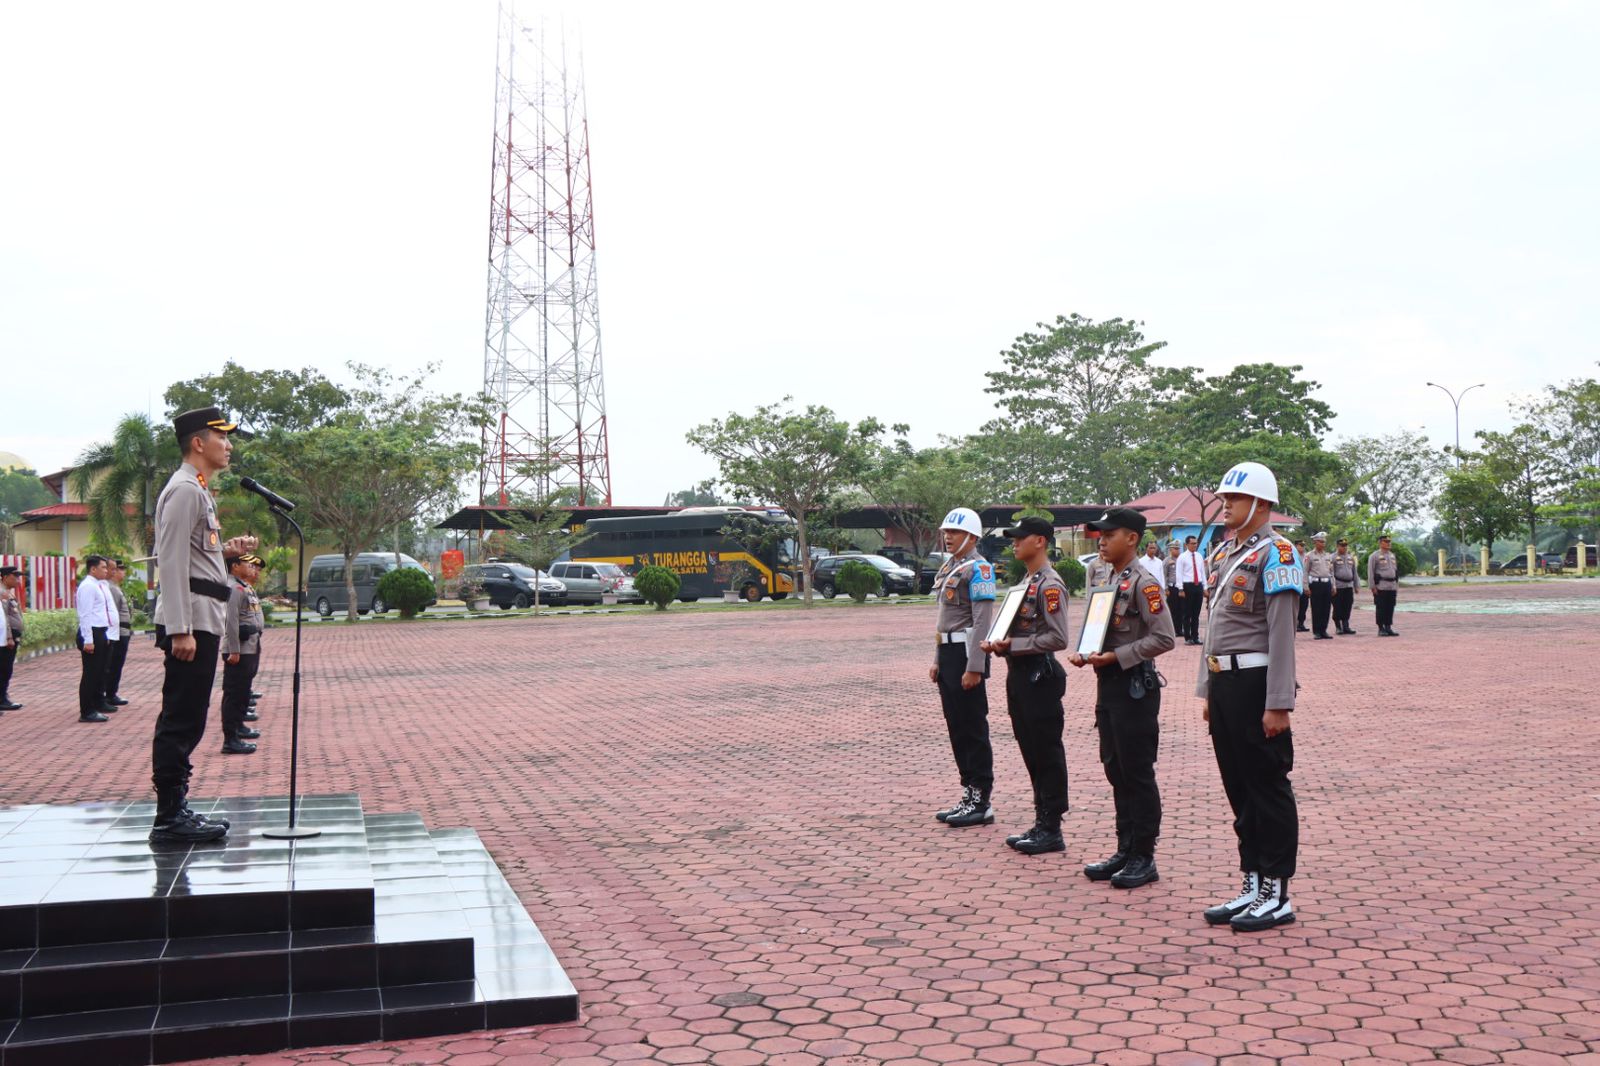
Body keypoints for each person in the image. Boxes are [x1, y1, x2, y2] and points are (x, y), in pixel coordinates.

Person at [1196, 462, 1301, 932]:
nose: (1226, 507)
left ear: (1260, 504)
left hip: (1258, 684)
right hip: (1225, 684)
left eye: (1233, 500)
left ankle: (1277, 892)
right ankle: (1252, 881)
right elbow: (1213, 627)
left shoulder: (1279, 554)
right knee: (1238, 787)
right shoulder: (1223, 554)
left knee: (1266, 786)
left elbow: (1281, 634)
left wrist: (1278, 702)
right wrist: (1206, 688)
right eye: (1224, 500)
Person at [150, 406, 255, 843]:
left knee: (191, 717)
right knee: (181, 717)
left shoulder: (198, 489)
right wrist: (180, 628)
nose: (228, 446)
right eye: (222, 437)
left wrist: (227, 555)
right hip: (190, 620)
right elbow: (170, 561)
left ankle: (176, 808)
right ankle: (169, 816)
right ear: (199, 442)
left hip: (203, 617)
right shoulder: (185, 491)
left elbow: (196, 559)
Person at [1071, 508, 1176, 889]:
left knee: (1136, 772)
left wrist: (1119, 655)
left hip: (1134, 686)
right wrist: (1087, 651)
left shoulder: (1144, 582)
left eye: (1109, 534)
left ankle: (1143, 856)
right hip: (1109, 683)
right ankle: (1125, 848)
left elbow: (1164, 638)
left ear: (1131, 538)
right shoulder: (1105, 576)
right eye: (1100, 534)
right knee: (1115, 768)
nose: (1101, 539)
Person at [980, 517, 1069, 855]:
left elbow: (1058, 637)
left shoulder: (1049, 584)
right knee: (1030, 748)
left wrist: (1012, 646)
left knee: (1046, 750)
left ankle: (1052, 826)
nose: (1014, 543)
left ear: (1041, 541)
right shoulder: (1027, 581)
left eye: (1021, 537)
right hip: (1020, 674)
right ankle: (1041, 820)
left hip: (1039, 675)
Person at [928, 507, 998, 829]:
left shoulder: (979, 569)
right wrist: (936, 659)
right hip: (948, 652)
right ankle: (967, 792)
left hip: (967, 652)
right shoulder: (951, 565)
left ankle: (981, 798)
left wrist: (975, 666)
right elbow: (944, 619)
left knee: (972, 727)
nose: (948, 537)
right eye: (946, 532)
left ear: (971, 536)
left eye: (954, 533)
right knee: (956, 726)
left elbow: (982, 621)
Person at [220, 553, 265, 754]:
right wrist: (234, 649)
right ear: (235, 566)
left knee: (242, 692)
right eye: (248, 564)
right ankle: (230, 738)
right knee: (234, 694)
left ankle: (239, 727)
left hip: (250, 645)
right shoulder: (234, 588)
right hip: (240, 648)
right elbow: (230, 620)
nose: (253, 569)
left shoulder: (244, 586)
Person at [75, 555, 119, 723]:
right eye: (103, 567)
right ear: (93, 569)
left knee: (99, 672)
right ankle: (86, 711)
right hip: (91, 632)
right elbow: (85, 615)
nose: (106, 570)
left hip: (100, 632)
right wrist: (88, 640)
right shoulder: (88, 587)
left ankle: (94, 705)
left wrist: (105, 635)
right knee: (90, 674)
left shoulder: (99, 585)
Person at [103, 560, 134, 706]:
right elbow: (112, 612)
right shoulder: (112, 589)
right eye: (120, 569)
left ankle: (111, 693)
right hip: (118, 632)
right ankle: (109, 694)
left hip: (123, 631)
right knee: (114, 664)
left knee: (117, 664)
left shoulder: (115, 587)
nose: (123, 572)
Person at [0, 565, 23, 710]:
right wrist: (8, 637)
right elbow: (4, 618)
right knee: (4, 668)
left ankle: (4, 695)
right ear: (5, 577)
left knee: (7, 668)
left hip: (12, 635)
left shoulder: (8, 592)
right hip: (7, 636)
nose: (18, 580)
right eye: (15, 577)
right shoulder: (2, 593)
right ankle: (2, 699)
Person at [1368, 535, 1401, 637]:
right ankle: (1381, 628)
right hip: (1381, 586)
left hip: (1391, 586)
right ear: (1380, 543)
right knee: (1381, 607)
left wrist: (1396, 585)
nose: (1388, 543)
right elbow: (1370, 572)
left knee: (1390, 607)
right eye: (1386, 541)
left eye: (1389, 541)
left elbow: (1395, 571)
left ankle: (1388, 627)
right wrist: (1372, 586)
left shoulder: (1392, 555)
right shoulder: (1374, 556)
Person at [1176, 535, 1206, 645]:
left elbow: (1202, 572)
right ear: (1187, 544)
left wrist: (1205, 587)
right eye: (1192, 543)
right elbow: (1178, 573)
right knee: (1187, 613)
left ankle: (1195, 636)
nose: (1195, 545)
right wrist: (1180, 589)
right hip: (1187, 586)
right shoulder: (1182, 557)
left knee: (1196, 614)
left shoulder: (1199, 556)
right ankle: (1188, 637)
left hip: (1198, 585)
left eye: (1196, 543)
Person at [1304, 533, 1335, 640]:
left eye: (1324, 542)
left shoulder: (1328, 556)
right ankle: (1316, 631)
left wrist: (1333, 585)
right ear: (1315, 542)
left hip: (1327, 583)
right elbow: (1305, 572)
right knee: (1316, 608)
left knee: (1326, 608)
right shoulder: (1310, 555)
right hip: (1316, 584)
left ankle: (1323, 630)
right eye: (1320, 542)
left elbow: (1332, 572)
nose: (1323, 544)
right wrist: (1306, 587)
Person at [1332, 538, 1360, 635]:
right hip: (1338, 586)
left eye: (1346, 545)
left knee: (1347, 606)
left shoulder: (1350, 557)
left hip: (1349, 586)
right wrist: (1333, 586)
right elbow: (1331, 574)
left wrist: (1356, 585)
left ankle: (1346, 625)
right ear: (1337, 546)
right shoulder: (1333, 557)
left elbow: (1354, 572)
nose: (1344, 547)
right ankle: (1338, 626)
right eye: (1342, 545)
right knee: (1338, 607)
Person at [1294, 540, 1311, 632]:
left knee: (1304, 605)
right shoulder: (1293, 555)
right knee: (1296, 606)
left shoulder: (1307, 556)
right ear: (1296, 546)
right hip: (1296, 584)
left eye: (1303, 545)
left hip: (1304, 584)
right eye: (1301, 545)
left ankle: (1301, 623)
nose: (1302, 547)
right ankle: (1295, 624)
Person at [1164, 542, 1182, 620]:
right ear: (1171, 550)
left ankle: (1180, 629)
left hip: (1181, 588)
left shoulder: (1181, 559)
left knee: (1181, 609)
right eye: (1176, 549)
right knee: (1173, 609)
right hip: (1172, 588)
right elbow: (1164, 575)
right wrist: (1166, 588)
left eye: (1178, 549)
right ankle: (1174, 630)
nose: (1178, 551)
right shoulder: (1167, 560)